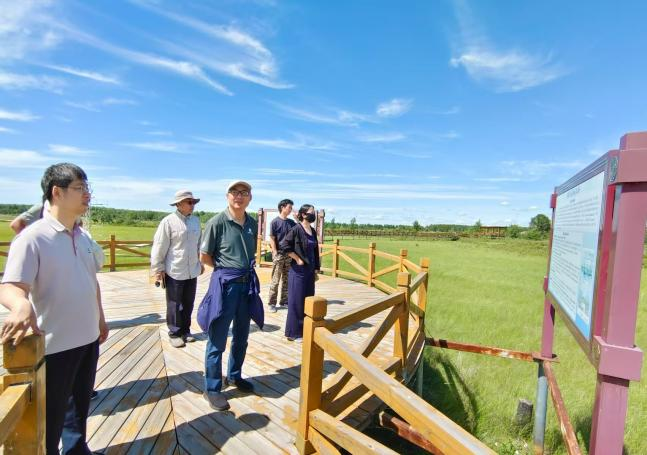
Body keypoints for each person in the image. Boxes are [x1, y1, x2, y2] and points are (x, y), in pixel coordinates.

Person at [0, 163, 109, 454]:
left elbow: (92, 281)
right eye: (79, 188)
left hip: (88, 339)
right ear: (56, 192)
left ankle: (76, 450)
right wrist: (20, 304)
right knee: (50, 417)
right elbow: (10, 286)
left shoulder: (83, 237)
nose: (87, 194)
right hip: (55, 346)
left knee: (79, 408)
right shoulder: (32, 238)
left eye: (87, 188)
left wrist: (100, 318)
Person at [198, 180, 264, 411]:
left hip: (246, 287)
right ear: (227, 196)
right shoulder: (217, 222)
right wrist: (226, 271)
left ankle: (234, 375)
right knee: (217, 339)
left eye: (244, 192)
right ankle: (212, 388)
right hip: (226, 286)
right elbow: (205, 256)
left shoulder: (252, 223)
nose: (239, 196)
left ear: (250, 198)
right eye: (234, 192)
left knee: (242, 335)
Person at [151, 190, 203, 348]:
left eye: (193, 202)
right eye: (189, 202)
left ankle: (186, 331)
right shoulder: (168, 222)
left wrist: (200, 263)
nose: (192, 205)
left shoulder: (196, 221)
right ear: (179, 204)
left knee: (188, 303)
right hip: (174, 270)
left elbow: (199, 245)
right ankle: (174, 333)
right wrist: (158, 269)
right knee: (174, 304)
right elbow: (159, 246)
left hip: (192, 270)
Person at [280, 204, 321, 342]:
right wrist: (297, 259)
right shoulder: (296, 229)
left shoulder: (312, 230)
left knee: (308, 300)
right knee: (296, 302)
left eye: (314, 212)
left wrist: (316, 268)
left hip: (309, 271)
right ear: (303, 214)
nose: (313, 214)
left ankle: (305, 330)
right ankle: (293, 333)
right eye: (311, 212)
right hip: (298, 272)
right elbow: (284, 245)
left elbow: (315, 250)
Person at [267, 199, 296, 313]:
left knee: (286, 280)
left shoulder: (292, 223)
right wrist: (274, 252)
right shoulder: (274, 222)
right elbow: (272, 238)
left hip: (289, 255)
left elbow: (300, 230)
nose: (290, 210)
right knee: (275, 280)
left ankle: (284, 302)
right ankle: (271, 303)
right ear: (282, 207)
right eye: (289, 207)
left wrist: (297, 219)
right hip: (279, 254)